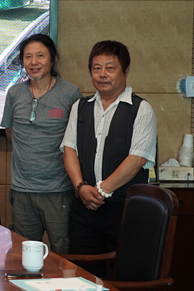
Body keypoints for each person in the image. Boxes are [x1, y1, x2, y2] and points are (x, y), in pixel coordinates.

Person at [62, 40, 156, 276]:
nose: (102, 74)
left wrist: (101, 191)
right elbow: (69, 149)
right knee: (84, 276)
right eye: (97, 68)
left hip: (124, 208)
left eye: (110, 68)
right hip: (84, 207)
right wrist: (80, 187)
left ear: (125, 71)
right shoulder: (80, 107)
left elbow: (137, 159)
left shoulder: (141, 109)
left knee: (126, 277)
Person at [1, 34, 81, 253]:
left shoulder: (70, 93)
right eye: (28, 57)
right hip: (22, 190)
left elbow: (76, 140)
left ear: (53, 59)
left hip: (58, 190)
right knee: (24, 255)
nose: (34, 62)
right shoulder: (14, 93)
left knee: (64, 254)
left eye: (40, 56)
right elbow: (10, 133)